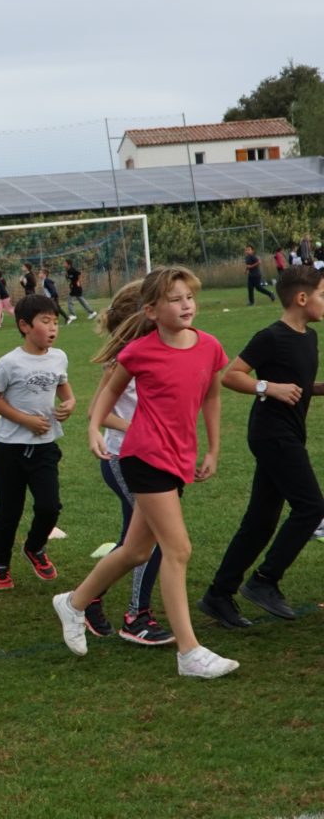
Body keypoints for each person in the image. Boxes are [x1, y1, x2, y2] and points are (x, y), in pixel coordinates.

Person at [53, 266, 238, 679]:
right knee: (178, 549)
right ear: (152, 311)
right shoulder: (139, 352)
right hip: (143, 457)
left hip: (177, 458)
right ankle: (189, 652)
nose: (186, 305)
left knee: (136, 551)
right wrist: (92, 429)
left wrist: (213, 448)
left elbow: (211, 397)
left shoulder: (209, 347)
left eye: (189, 296)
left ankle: (74, 602)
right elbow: (110, 392)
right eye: (175, 299)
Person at [198, 265, 324, 627]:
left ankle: (218, 595)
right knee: (311, 506)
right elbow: (231, 375)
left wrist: (317, 388)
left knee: (261, 520)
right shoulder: (271, 336)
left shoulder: (309, 337)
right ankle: (264, 581)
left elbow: (297, 383)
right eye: (321, 293)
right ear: (302, 298)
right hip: (271, 434)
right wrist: (269, 387)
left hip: (289, 432)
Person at [84, 281, 173, 646]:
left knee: (132, 541)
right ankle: (136, 617)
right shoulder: (125, 359)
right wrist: (140, 427)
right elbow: (97, 413)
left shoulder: (157, 351)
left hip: (153, 457)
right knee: (156, 537)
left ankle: (89, 598)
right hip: (125, 459)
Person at [0, 294, 75, 591]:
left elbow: (64, 388)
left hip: (46, 447)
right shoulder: (9, 363)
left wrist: (70, 403)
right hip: (9, 449)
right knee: (8, 512)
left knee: (50, 507)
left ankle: (34, 548)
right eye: (45, 322)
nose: (52, 329)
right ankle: (0, 564)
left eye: (55, 322)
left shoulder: (58, 356)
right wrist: (25, 420)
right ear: (24, 325)